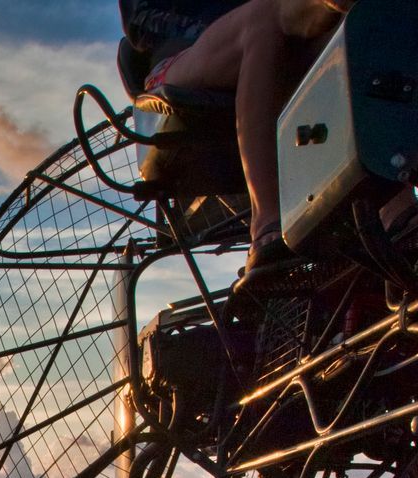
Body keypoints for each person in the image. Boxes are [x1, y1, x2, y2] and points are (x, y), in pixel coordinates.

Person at [121, 0, 355, 285]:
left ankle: (392, 206)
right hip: (181, 59)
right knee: (263, 20)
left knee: (357, 19)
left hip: (287, 25)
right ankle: (266, 223)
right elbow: (141, 21)